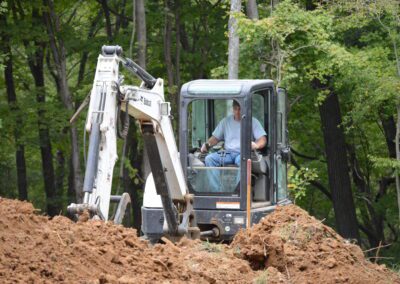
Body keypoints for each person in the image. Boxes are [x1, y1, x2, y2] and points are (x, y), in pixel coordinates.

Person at [200, 100, 267, 167]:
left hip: (243, 153)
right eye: (235, 109)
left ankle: (240, 178)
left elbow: (263, 139)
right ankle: (216, 178)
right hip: (228, 153)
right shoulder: (225, 122)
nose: (237, 112)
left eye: (240, 109)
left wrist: (256, 145)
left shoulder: (253, 121)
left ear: (245, 109)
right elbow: (215, 138)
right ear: (232, 109)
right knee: (209, 159)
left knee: (242, 161)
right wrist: (207, 144)